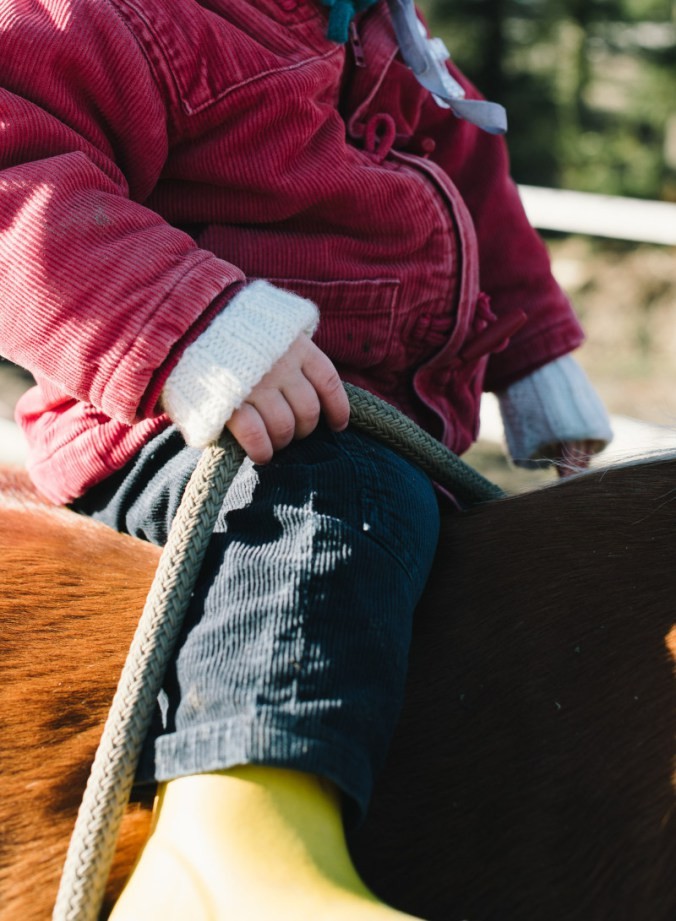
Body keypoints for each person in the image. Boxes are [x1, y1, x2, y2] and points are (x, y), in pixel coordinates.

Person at [0, 0, 612, 918]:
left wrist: (536, 362)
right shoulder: (111, 14)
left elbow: (475, 186)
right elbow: (16, 169)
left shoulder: (382, 36)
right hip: (182, 423)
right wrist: (185, 323)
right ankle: (233, 843)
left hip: (373, 425)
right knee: (335, 507)